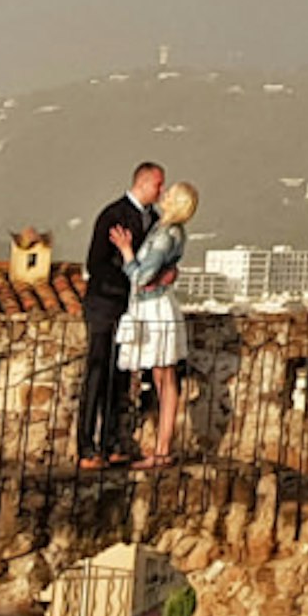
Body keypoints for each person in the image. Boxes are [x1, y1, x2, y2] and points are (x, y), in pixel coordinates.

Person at [77, 161, 164, 467]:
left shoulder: (153, 220)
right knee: (98, 373)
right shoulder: (113, 215)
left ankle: (113, 442)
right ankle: (86, 447)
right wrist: (128, 278)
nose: (161, 190)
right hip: (105, 304)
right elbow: (96, 263)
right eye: (158, 184)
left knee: (121, 376)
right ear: (142, 183)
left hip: (130, 307)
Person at [119, 177, 197, 466]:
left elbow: (141, 276)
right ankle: (162, 447)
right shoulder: (169, 231)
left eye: (170, 193)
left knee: (164, 376)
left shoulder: (166, 234)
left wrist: (127, 251)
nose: (163, 194)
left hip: (155, 308)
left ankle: (163, 448)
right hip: (157, 305)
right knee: (162, 375)